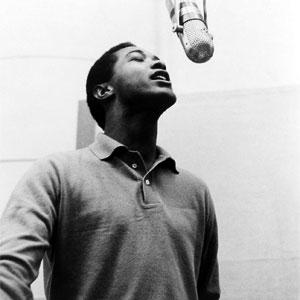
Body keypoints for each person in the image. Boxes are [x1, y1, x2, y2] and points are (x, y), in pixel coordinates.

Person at [0, 42, 220, 300]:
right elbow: (8, 272)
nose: (158, 63)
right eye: (137, 59)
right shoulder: (56, 173)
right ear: (104, 90)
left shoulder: (196, 191)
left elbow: (208, 294)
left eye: (158, 59)